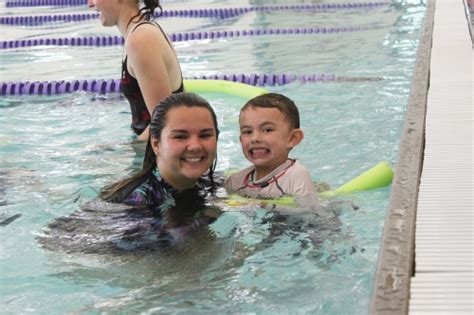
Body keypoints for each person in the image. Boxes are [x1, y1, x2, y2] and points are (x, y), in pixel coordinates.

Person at [87, 0, 184, 141]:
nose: (89, 4)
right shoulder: (139, 33)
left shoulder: (141, 39)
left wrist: (122, 153)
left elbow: (166, 124)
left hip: (160, 155)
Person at [224, 93, 316, 201]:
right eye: (247, 131)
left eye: (267, 130)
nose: (254, 138)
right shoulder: (235, 182)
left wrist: (257, 204)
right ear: (240, 139)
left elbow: (308, 213)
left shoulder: (297, 177)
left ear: (292, 139)